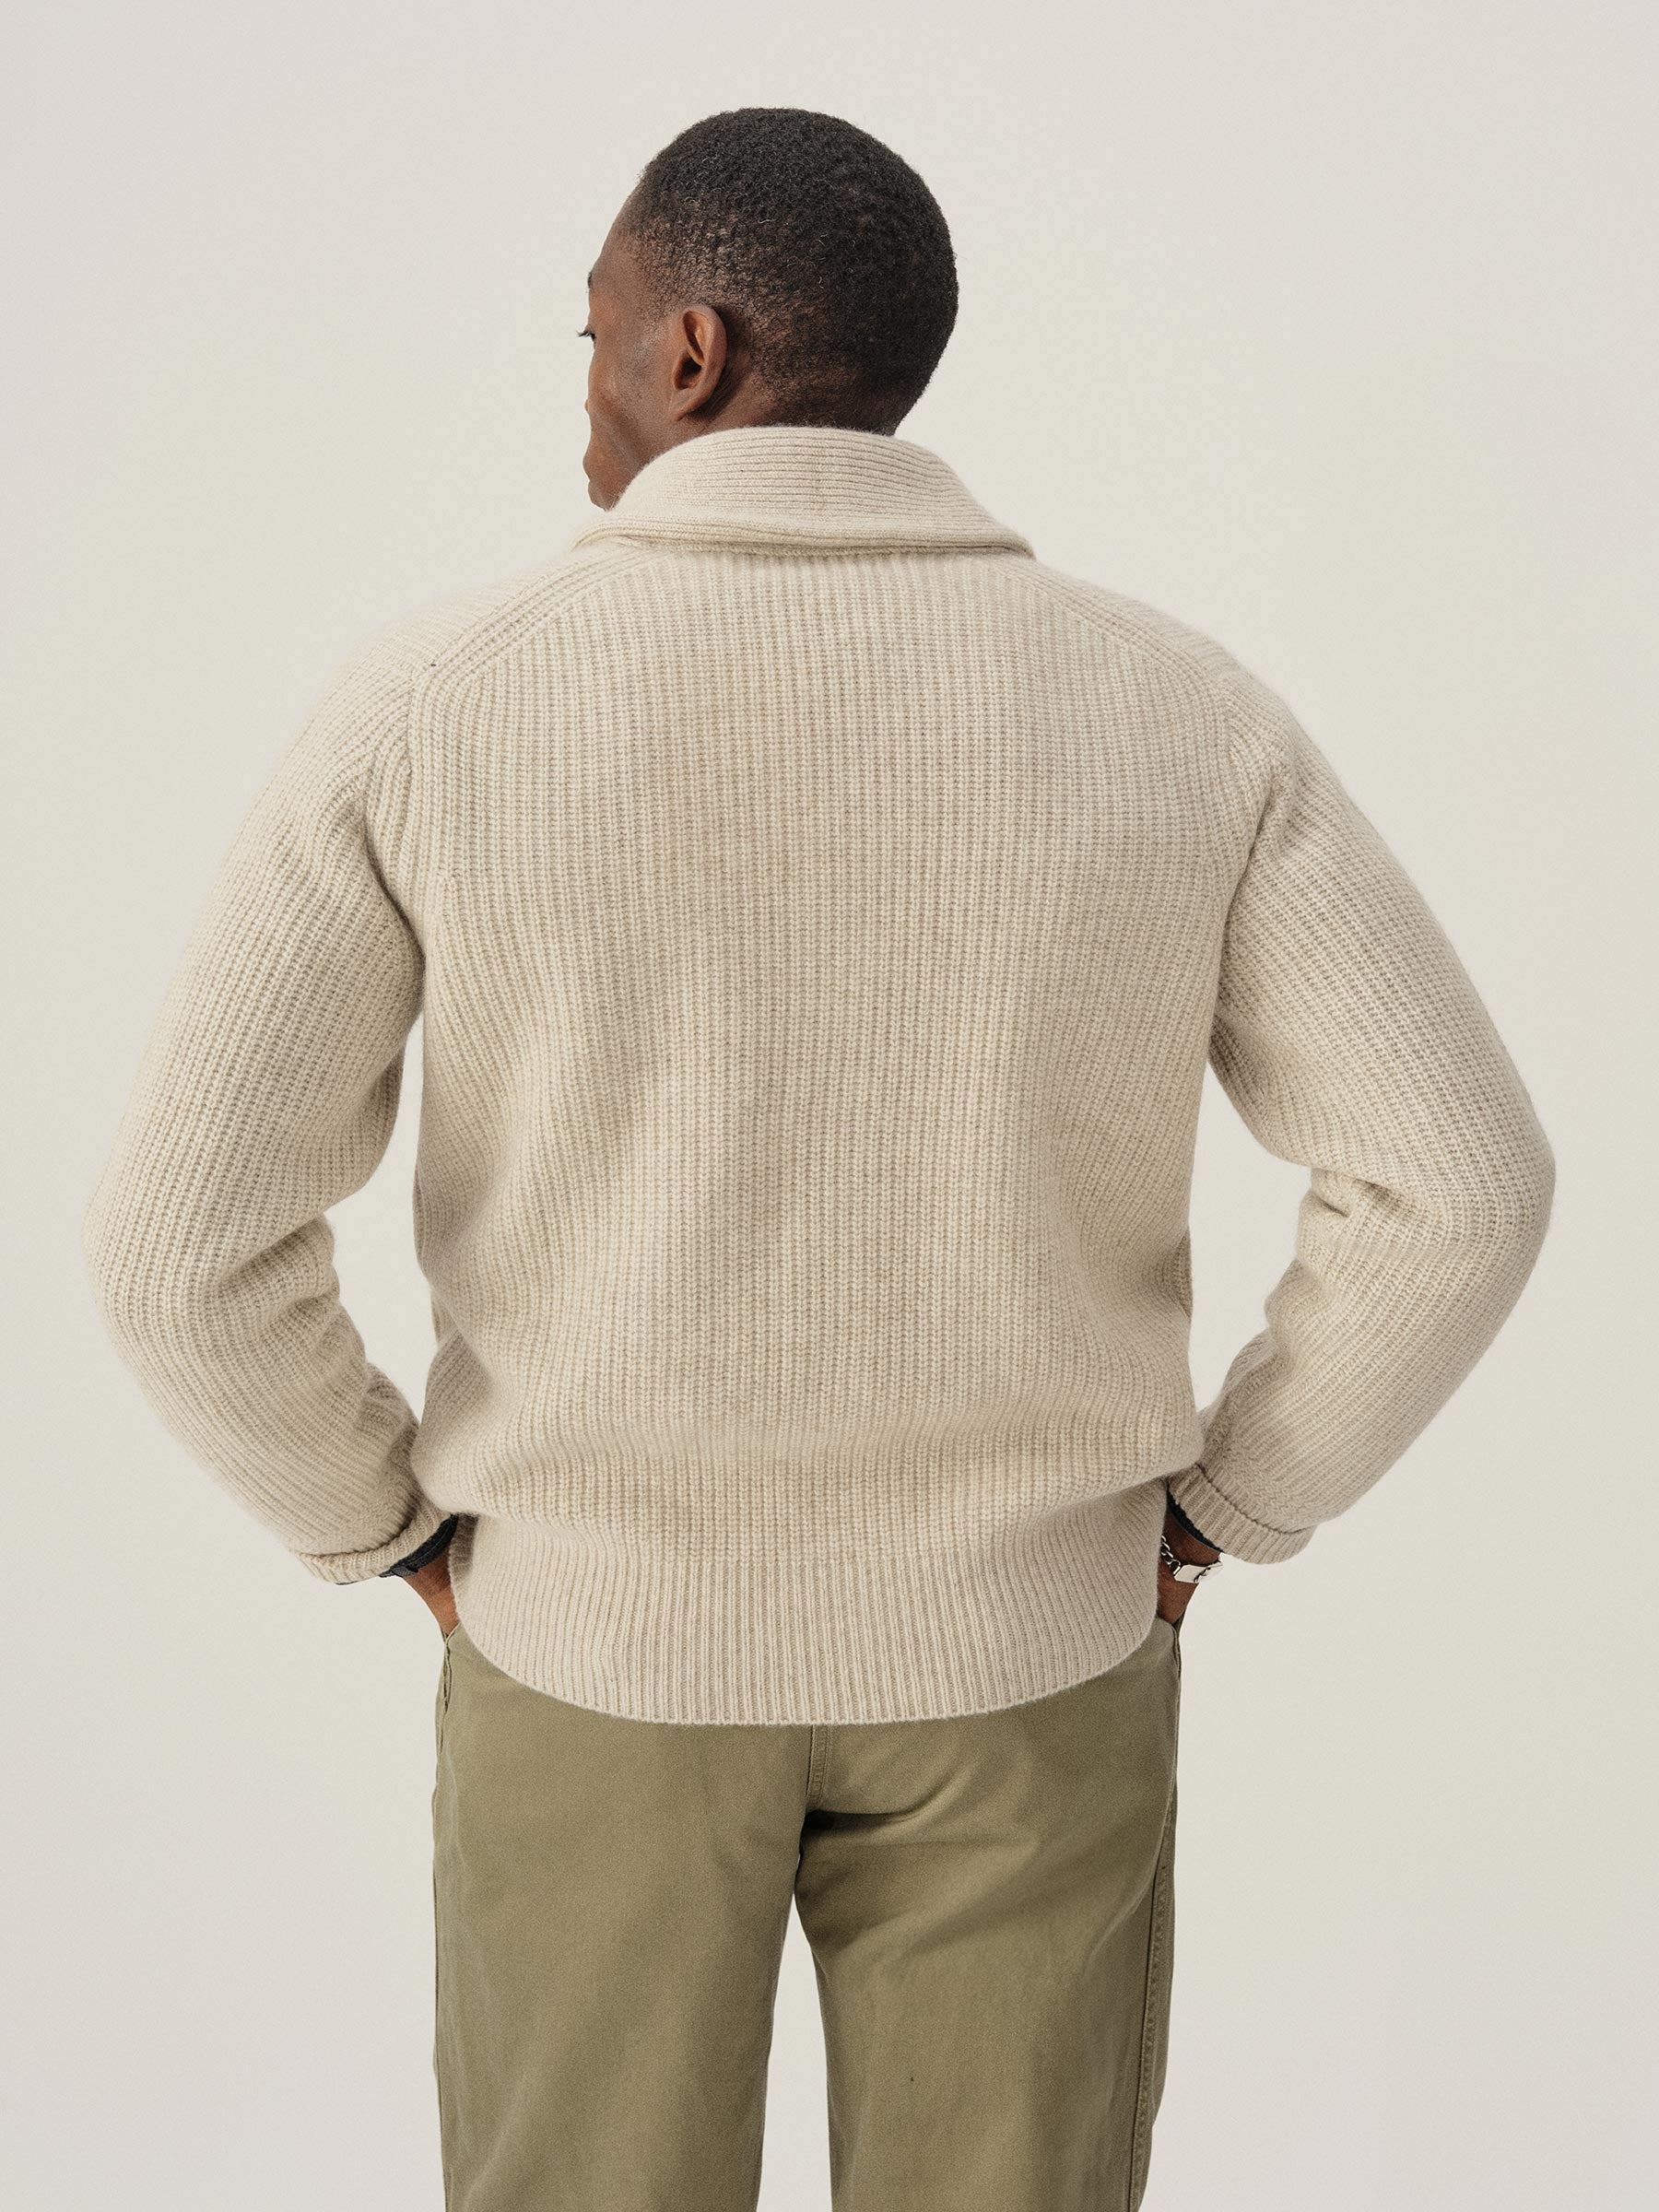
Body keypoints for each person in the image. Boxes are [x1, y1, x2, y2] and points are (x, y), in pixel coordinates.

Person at [80, 105, 1555, 2212]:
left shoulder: (436, 704)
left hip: (592, 1659)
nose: (583, 387)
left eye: (595, 333)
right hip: (1031, 1663)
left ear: (690, 353)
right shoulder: (1178, 711)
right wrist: (1229, 1503)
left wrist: (388, 1531)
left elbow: (175, 1243)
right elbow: (1461, 1181)